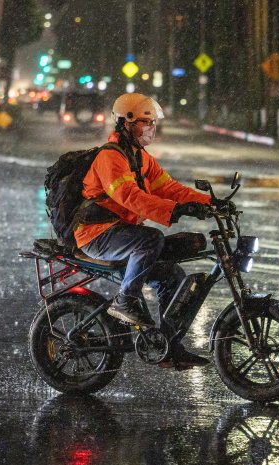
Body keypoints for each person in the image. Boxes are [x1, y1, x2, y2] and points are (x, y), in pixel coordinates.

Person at [74, 92, 211, 368]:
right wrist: (174, 210)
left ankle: (169, 347)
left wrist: (209, 202)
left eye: (152, 123)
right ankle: (125, 301)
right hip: (97, 235)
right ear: (126, 123)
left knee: (173, 274)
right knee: (151, 240)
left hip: (120, 233)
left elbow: (169, 187)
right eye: (144, 123)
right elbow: (130, 197)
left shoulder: (140, 157)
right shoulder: (110, 158)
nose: (150, 128)